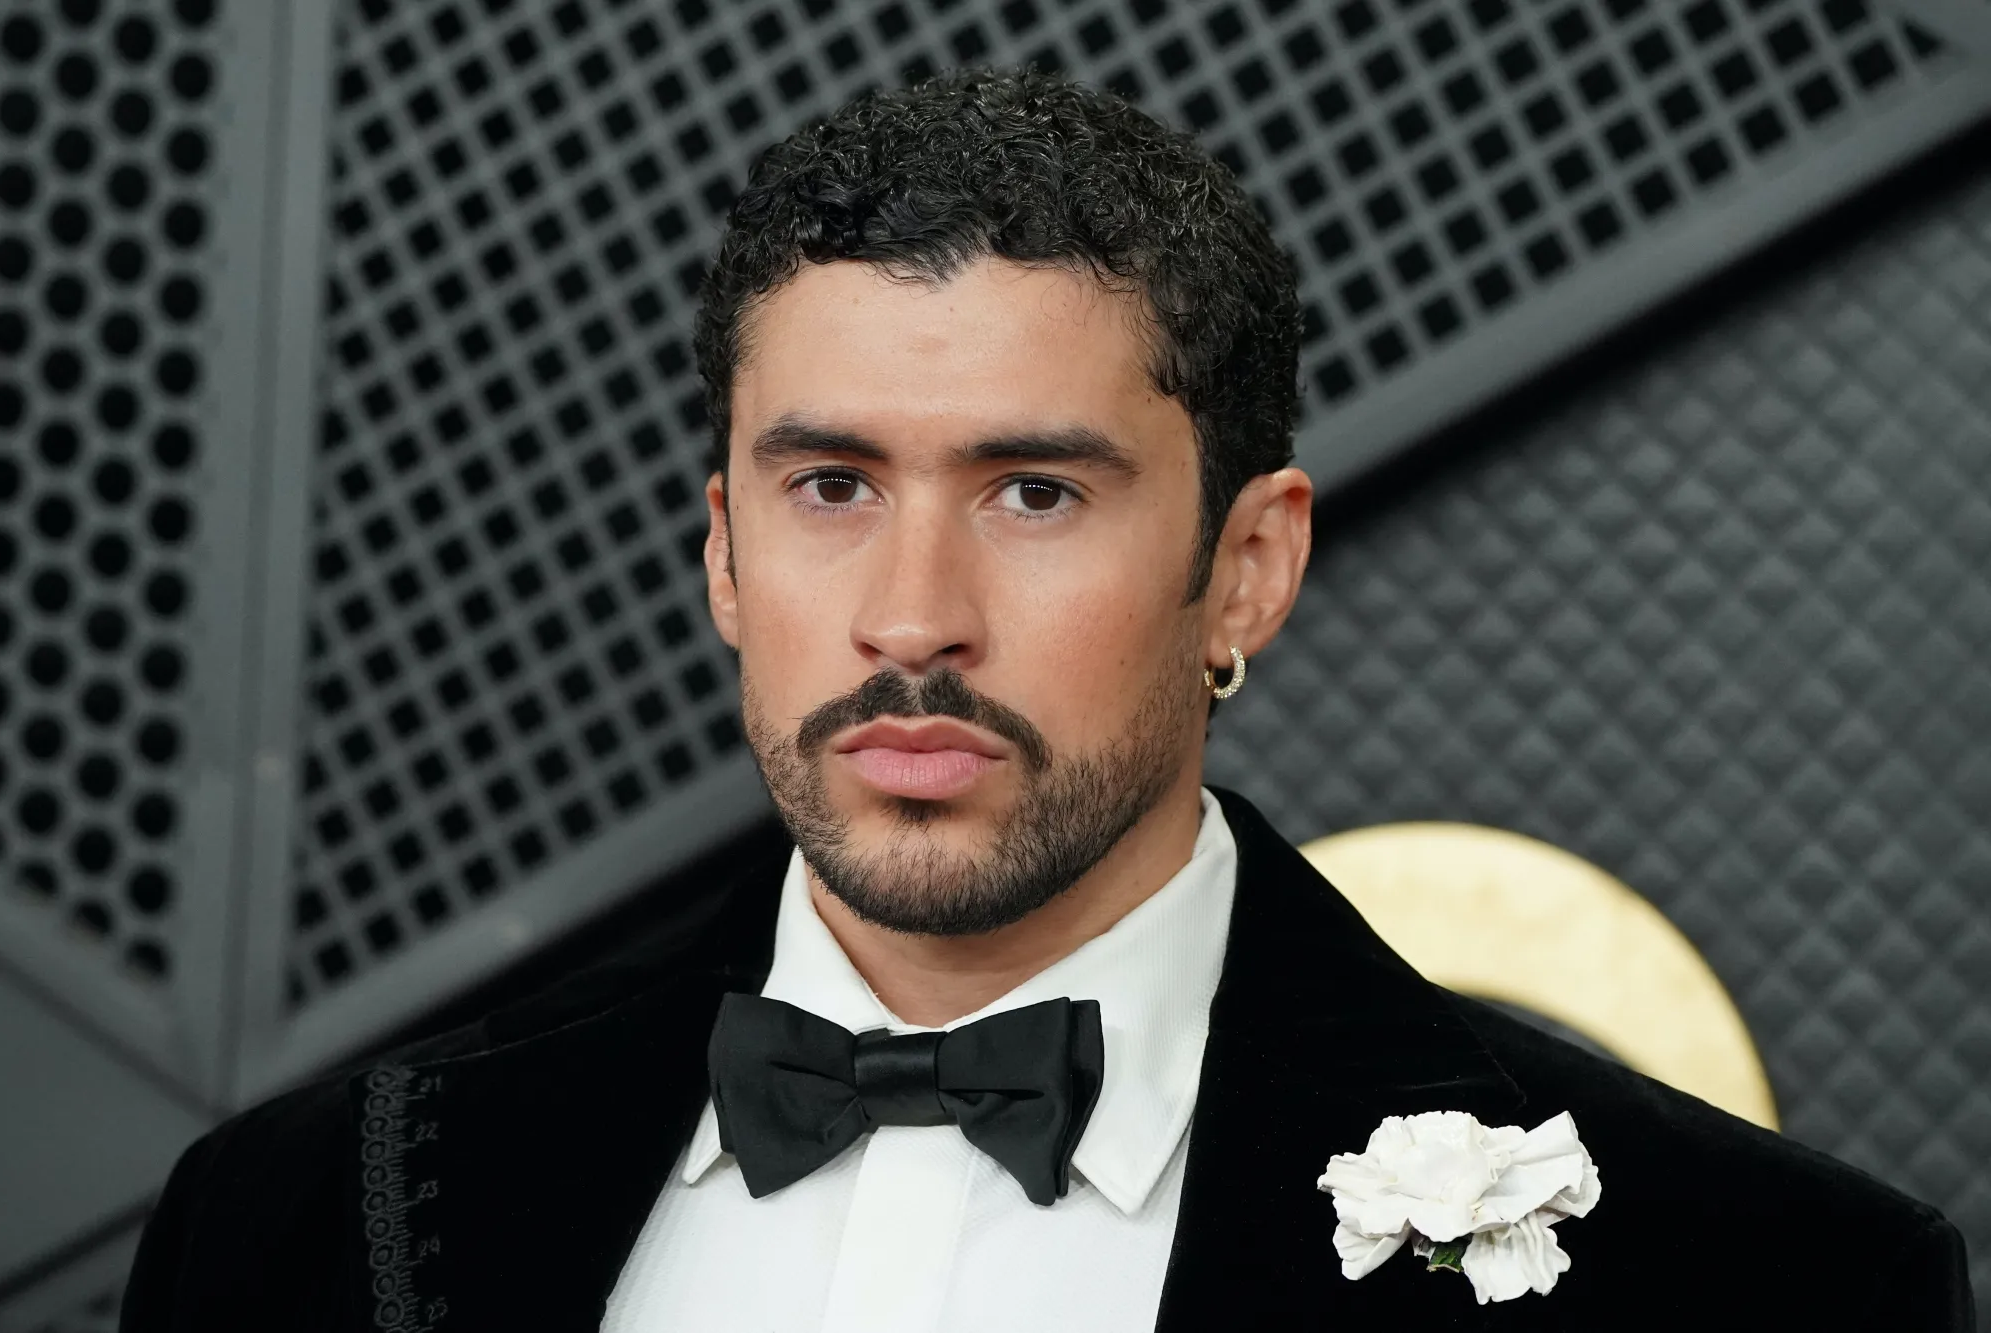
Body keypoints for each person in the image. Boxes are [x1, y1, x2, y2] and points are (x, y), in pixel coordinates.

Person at [123, 68, 1971, 1332]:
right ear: (723, 553)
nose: (912, 619)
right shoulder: (290, 1226)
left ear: (1247, 566)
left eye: (1033, 494)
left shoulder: (1762, 1285)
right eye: (830, 486)